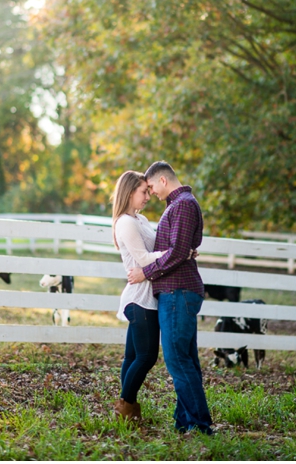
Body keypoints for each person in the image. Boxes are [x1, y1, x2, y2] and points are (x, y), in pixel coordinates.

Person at [127, 161, 213, 435]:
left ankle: (200, 425)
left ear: (163, 180)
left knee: (177, 360)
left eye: (151, 186)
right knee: (185, 359)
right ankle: (185, 422)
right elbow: (177, 250)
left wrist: (145, 273)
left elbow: (176, 253)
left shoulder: (184, 204)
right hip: (175, 292)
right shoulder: (176, 206)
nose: (150, 193)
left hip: (179, 292)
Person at [111, 171, 165, 422]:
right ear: (130, 191)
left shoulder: (140, 219)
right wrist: (177, 252)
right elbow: (143, 259)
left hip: (146, 295)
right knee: (147, 356)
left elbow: (153, 252)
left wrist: (170, 250)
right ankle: (126, 405)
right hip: (140, 298)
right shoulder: (125, 222)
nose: (147, 196)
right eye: (144, 191)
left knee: (133, 357)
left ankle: (126, 406)